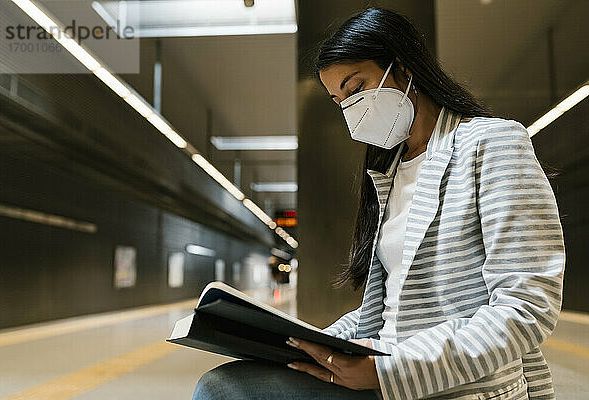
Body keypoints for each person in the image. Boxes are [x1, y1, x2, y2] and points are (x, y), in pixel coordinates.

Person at [192, 8, 565, 400]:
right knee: (225, 385)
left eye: (355, 89)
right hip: (384, 373)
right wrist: (312, 345)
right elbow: (391, 308)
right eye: (339, 101)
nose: (350, 112)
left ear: (402, 68)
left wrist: (387, 370)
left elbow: (526, 308)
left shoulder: (494, 144)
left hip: (455, 386)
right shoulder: (387, 173)